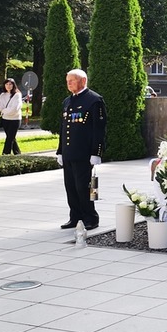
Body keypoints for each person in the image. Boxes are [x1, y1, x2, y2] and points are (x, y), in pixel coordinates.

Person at [56, 69, 107, 230]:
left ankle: (90, 217)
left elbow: (98, 129)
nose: (69, 83)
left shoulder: (94, 100)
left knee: (84, 187)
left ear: (83, 81)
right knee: (70, 187)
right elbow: (63, 128)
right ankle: (75, 216)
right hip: (69, 153)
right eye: (67, 80)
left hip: (84, 154)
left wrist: (96, 152)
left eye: (72, 80)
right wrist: (60, 151)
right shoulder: (67, 102)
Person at [0, 78, 23, 155]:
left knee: (9, 138)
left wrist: (4, 110)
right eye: (7, 84)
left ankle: (5, 154)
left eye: (10, 84)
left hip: (15, 119)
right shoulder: (2, 95)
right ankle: (17, 153)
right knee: (11, 137)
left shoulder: (17, 95)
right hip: (5, 119)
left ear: (13, 85)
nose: (8, 86)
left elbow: (14, 109)